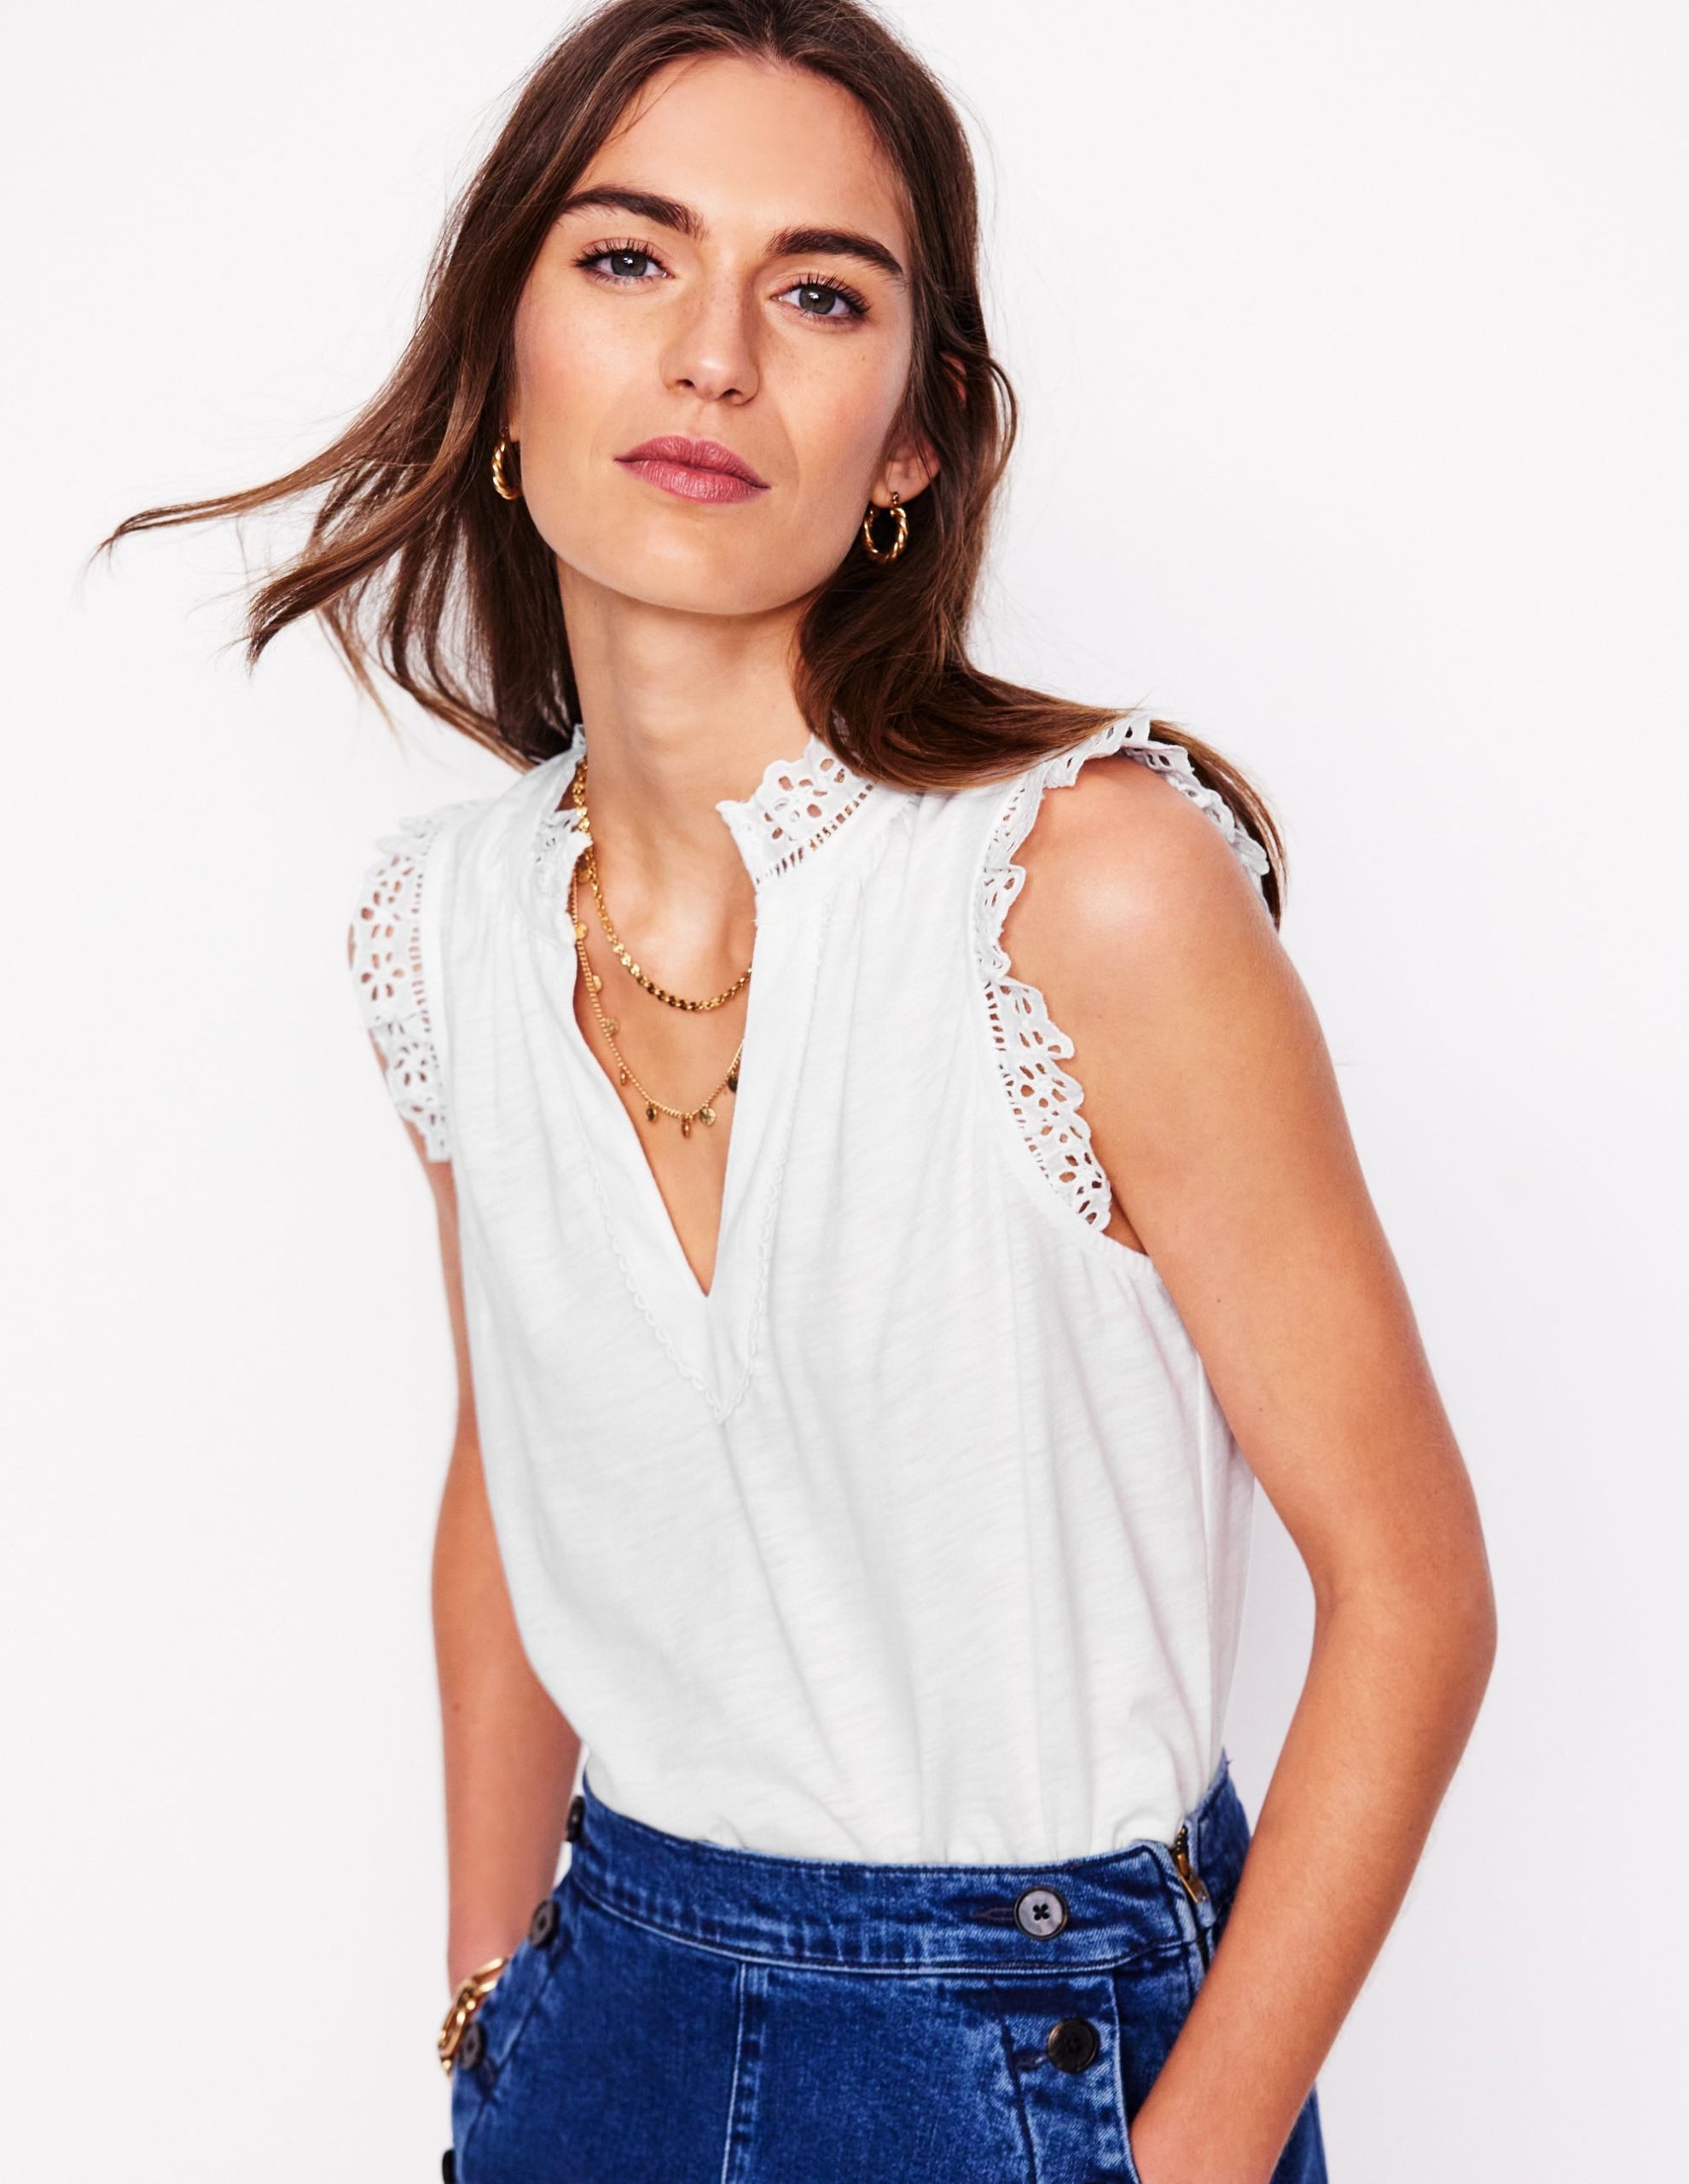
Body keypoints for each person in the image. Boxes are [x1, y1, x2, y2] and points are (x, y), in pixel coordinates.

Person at [101, 3, 1496, 2178]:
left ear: (911, 438)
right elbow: (516, 1459)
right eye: (628, 258)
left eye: (820, 292)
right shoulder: (439, 929)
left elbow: (1412, 1589)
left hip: (1041, 2040)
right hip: (607, 2013)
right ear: (503, 362)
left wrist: (1198, 2152)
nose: (713, 357)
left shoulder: (1091, 882)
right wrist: (489, 1988)